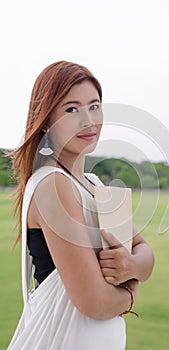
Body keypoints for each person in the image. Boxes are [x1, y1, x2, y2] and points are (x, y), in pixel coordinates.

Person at [8, 60, 154, 350]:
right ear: (47, 119)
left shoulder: (94, 184)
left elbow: (145, 252)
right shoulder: (52, 184)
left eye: (94, 106)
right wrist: (132, 292)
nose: (88, 120)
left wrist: (132, 265)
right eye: (71, 109)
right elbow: (95, 302)